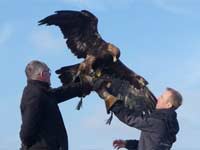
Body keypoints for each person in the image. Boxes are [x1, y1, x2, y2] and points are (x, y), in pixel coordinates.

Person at [19, 60, 92, 150]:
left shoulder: (43, 92)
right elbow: (26, 134)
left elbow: (62, 92)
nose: (50, 75)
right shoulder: (34, 94)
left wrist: (84, 86)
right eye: (48, 71)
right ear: (42, 74)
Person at [102, 87, 182, 150]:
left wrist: (112, 103)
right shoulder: (170, 126)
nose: (158, 99)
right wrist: (127, 144)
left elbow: (130, 118)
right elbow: (150, 146)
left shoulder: (158, 123)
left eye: (162, 97)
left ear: (168, 105)